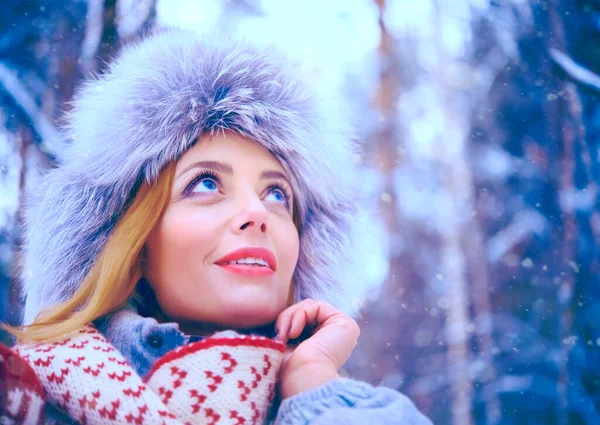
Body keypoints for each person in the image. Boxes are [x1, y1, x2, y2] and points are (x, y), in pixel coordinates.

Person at [3, 27, 433, 425]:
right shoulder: (24, 400)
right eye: (206, 183)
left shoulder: (355, 410)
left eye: (277, 194)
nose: (258, 213)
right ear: (136, 245)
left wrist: (312, 385)